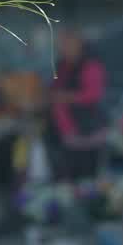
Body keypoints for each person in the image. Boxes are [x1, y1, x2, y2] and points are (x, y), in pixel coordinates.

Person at [47, 27, 108, 182]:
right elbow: (55, 89)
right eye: (62, 45)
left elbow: (93, 95)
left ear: (78, 43)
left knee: (87, 179)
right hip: (65, 134)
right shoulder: (63, 65)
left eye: (67, 44)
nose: (63, 48)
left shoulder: (90, 65)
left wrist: (65, 97)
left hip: (87, 132)